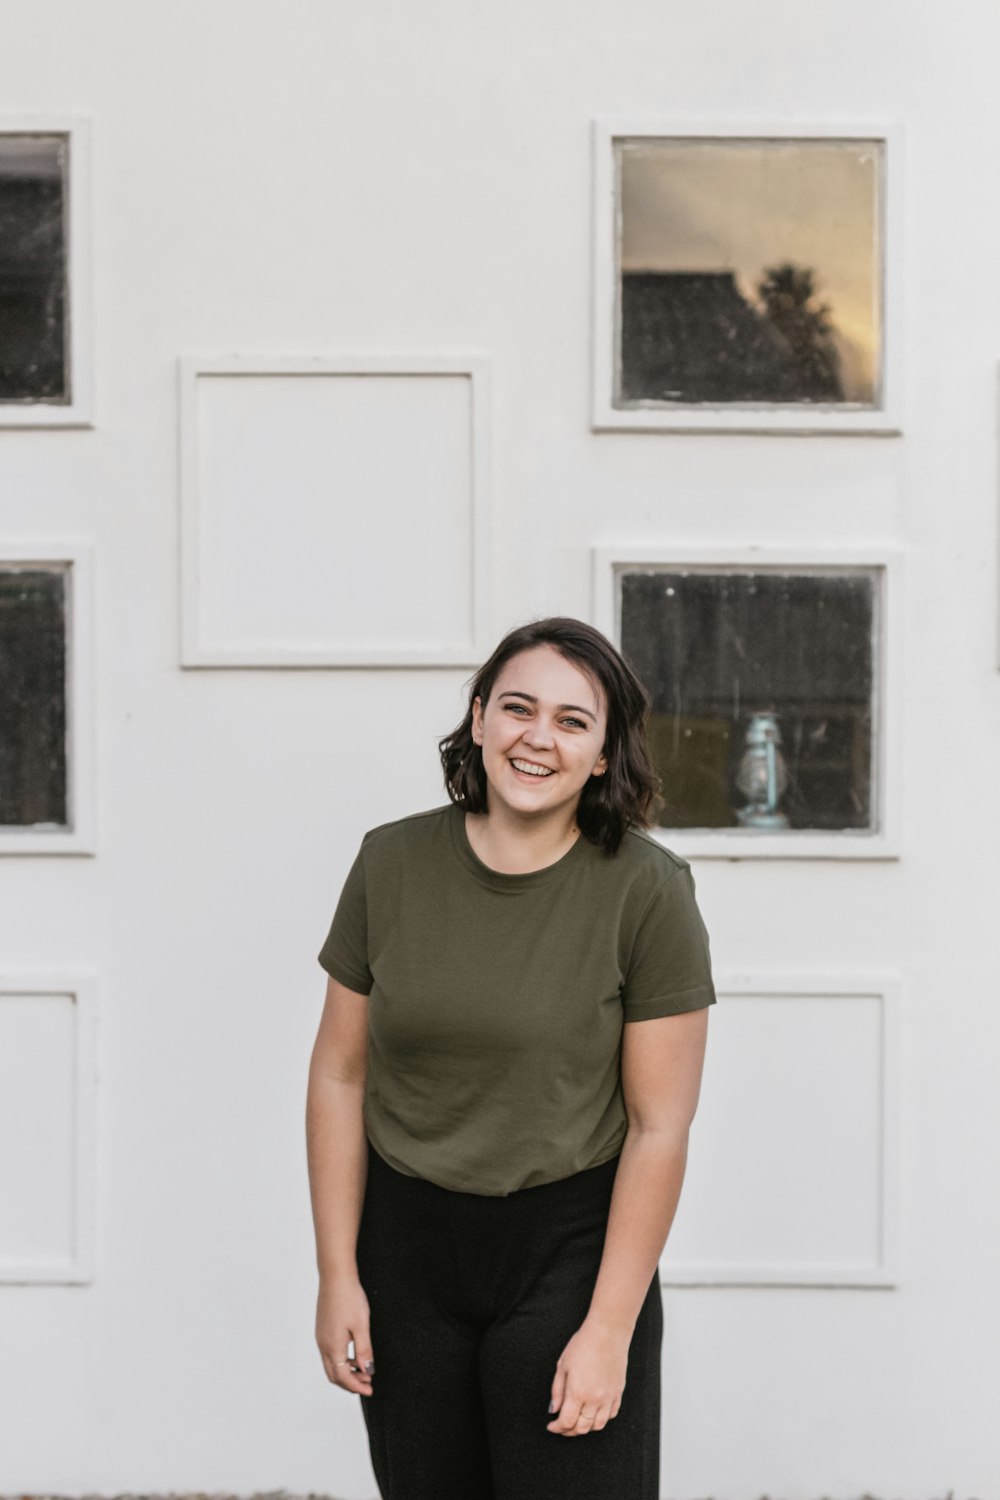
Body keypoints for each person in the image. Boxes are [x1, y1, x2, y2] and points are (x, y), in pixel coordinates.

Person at [305, 615, 716, 1500]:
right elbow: (340, 1074)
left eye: (573, 721)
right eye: (519, 708)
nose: (539, 737)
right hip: (408, 1252)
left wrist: (610, 1328)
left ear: (604, 755)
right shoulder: (390, 863)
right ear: (481, 718)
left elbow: (660, 1126)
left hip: (568, 1251)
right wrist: (338, 1274)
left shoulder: (648, 891)